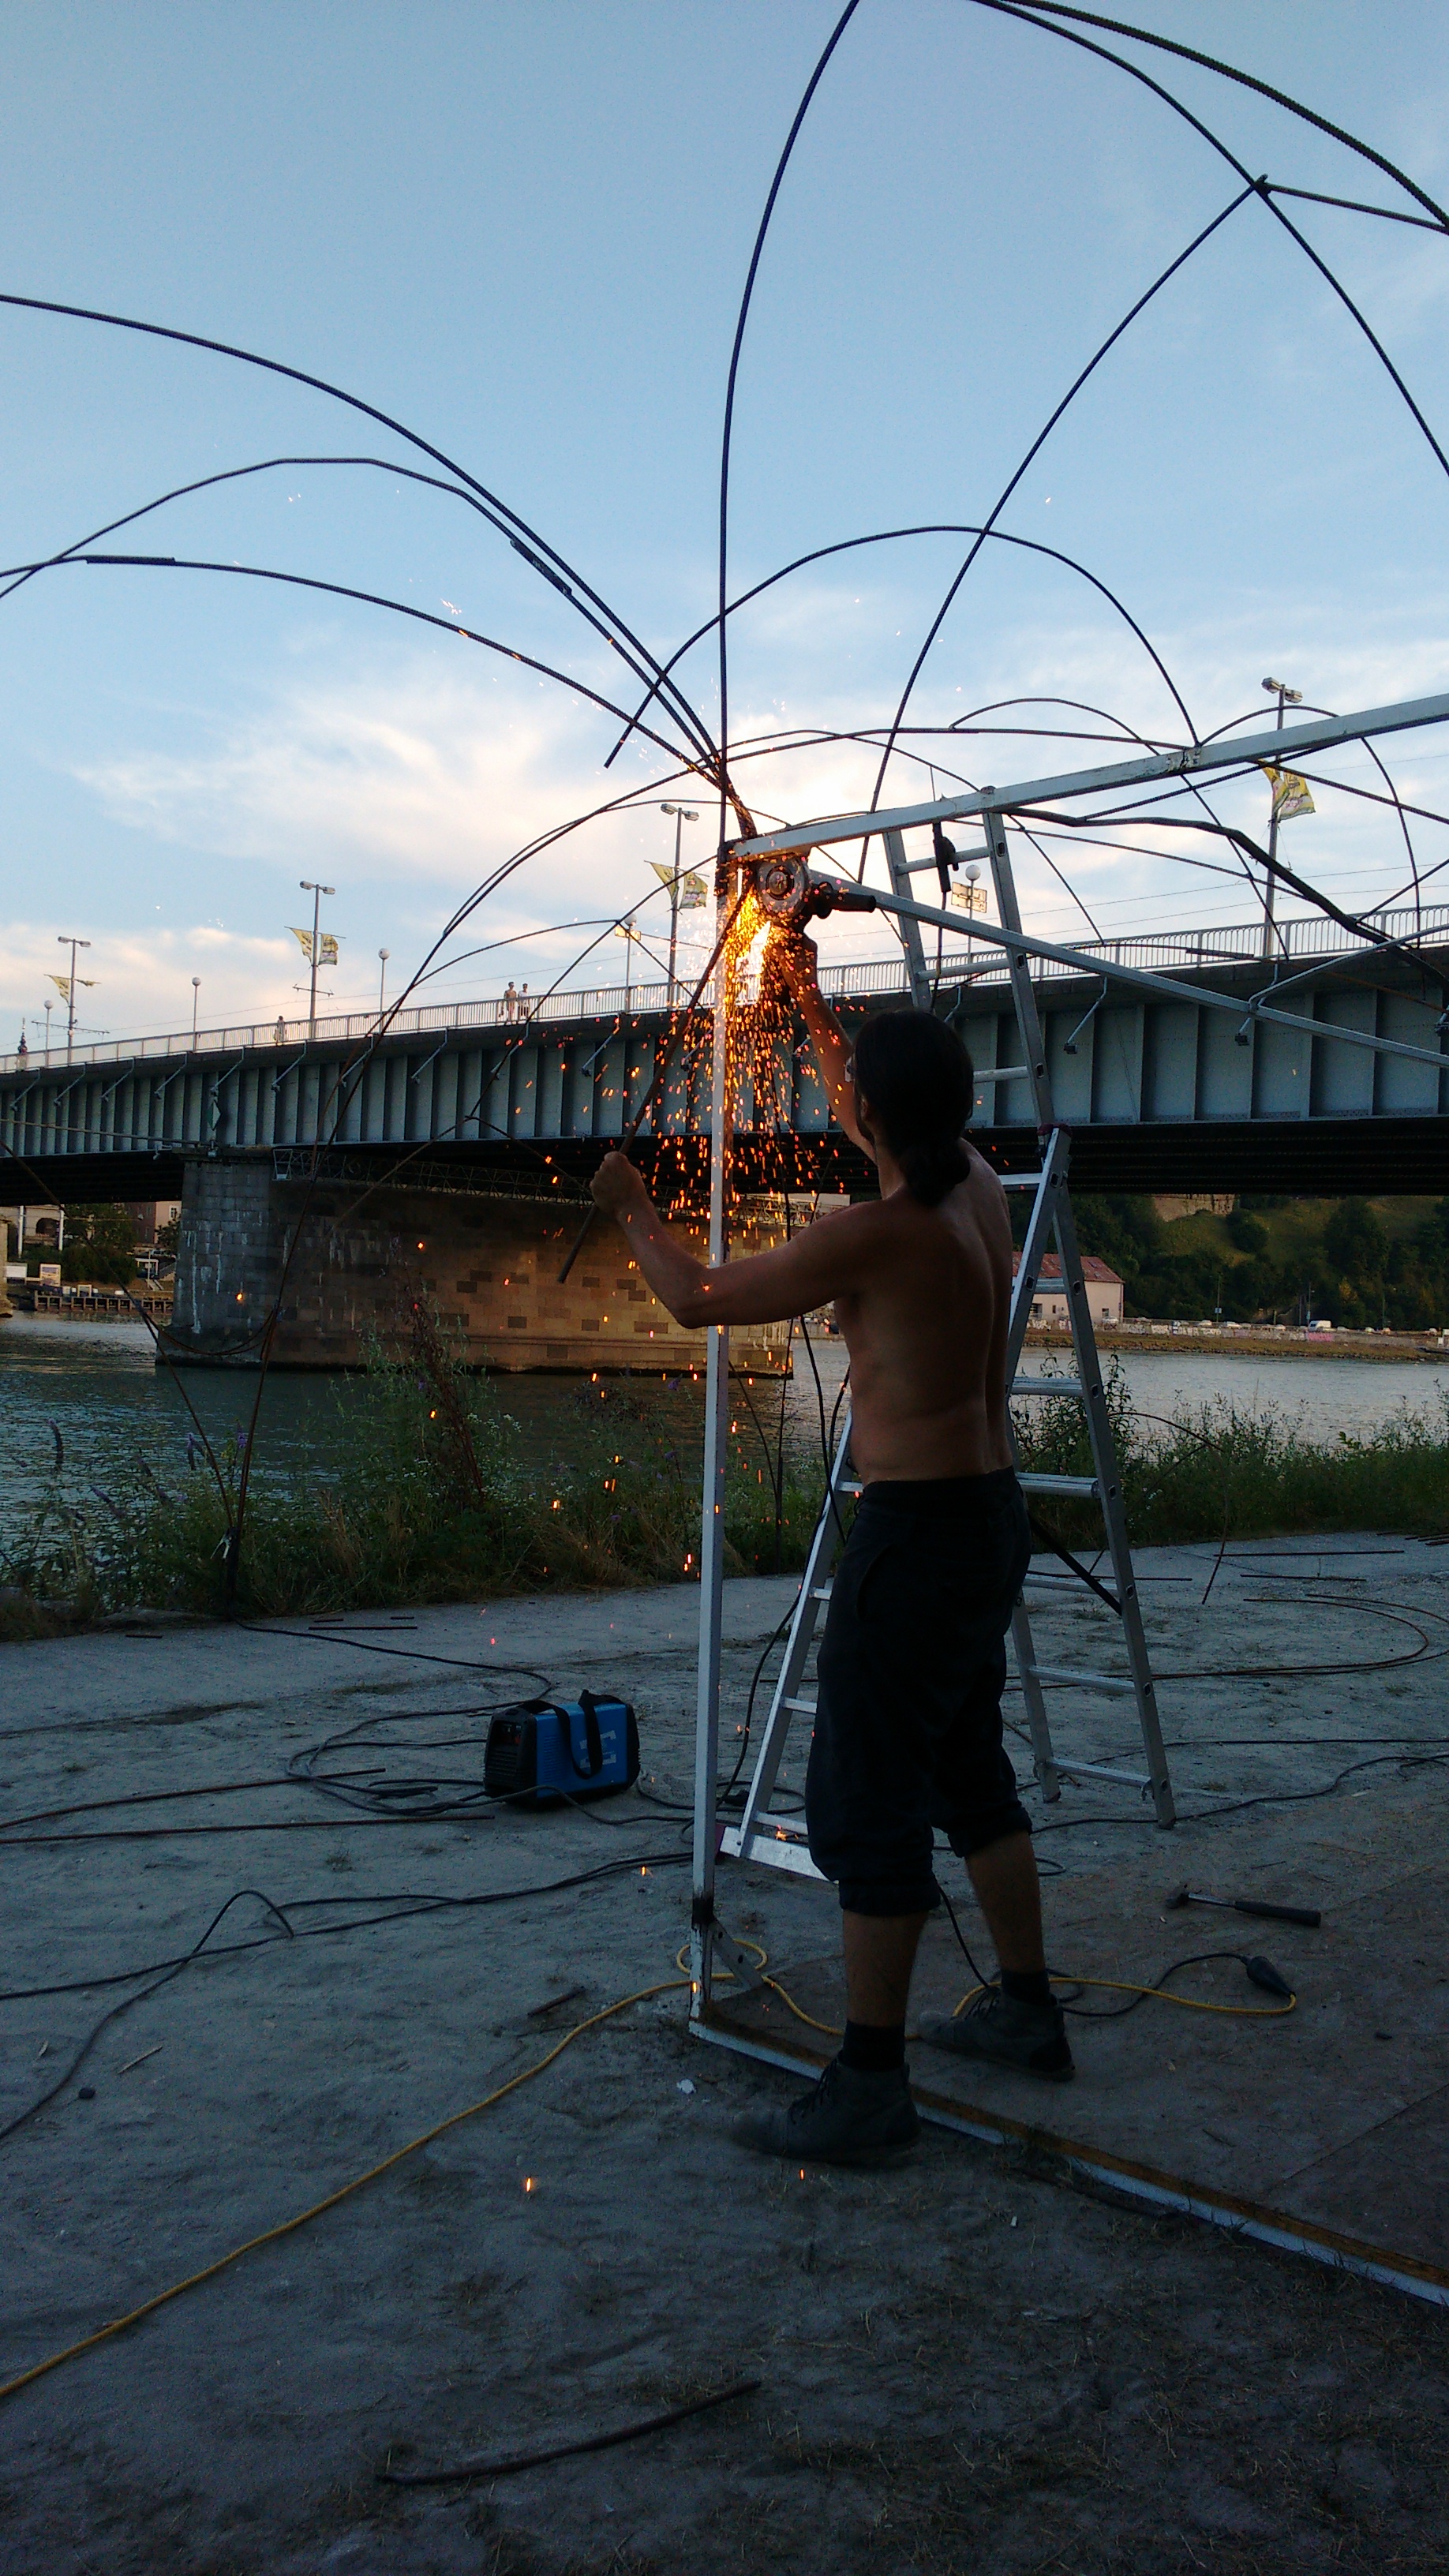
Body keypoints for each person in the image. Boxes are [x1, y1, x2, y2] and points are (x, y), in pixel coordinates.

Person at [588, 918, 1069, 2170]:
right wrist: (802, 995)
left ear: (880, 1120)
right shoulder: (971, 1185)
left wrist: (634, 1209)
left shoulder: (873, 1235)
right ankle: (1027, 2009)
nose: (846, 1108)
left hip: (915, 1541)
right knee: (968, 1765)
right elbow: (871, 1106)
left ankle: (869, 2083)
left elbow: (696, 1297)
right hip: (991, 1517)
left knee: (866, 1803)